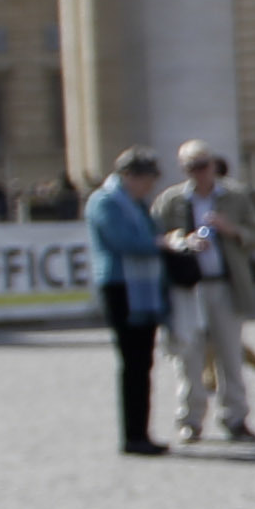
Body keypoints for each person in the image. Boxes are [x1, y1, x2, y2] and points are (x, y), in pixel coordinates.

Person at [151, 140, 255, 444]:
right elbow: (156, 236)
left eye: (203, 165)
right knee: (189, 356)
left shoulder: (235, 197)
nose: (199, 172)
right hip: (187, 287)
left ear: (214, 164)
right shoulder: (171, 200)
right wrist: (181, 240)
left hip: (225, 284)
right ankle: (190, 419)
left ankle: (235, 417)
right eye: (191, 167)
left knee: (230, 354)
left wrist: (232, 230)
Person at [85, 148, 171, 456]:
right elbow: (122, 241)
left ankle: (142, 431)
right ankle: (132, 435)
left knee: (144, 362)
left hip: (143, 289)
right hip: (120, 287)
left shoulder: (138, 204)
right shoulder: (105, 202)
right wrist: (158, 244)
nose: (149, 185)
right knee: (132, 363)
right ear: (128, 176)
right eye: (146, 179)